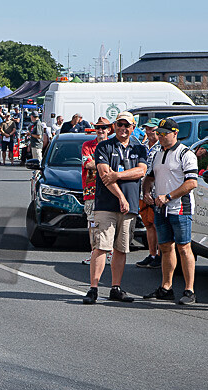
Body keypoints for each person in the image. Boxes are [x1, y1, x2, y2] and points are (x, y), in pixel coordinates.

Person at [82, 111, 149, 304]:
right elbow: (104, 175)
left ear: (133, 127)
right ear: (115, 127)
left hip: (130, 207)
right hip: (106, 204)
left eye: (127, 125)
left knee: (121, 248)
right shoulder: (104, 146)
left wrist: (118, 176)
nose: (123, 128)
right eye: (119, 124)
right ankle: (93, 288)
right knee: (101, 246)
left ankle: (115, 287)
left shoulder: (139, 148)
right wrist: (121, 196)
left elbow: (141, 170)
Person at [142, 118, 199, 305]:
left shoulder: (186, 154)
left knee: (184, 247)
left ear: (175, 133)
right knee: (165, 247)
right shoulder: (158, 153)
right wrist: (145, 191)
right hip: (161, 207)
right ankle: (166, 287)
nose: (160, 136)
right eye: (158, 133)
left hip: (180, 207)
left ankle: (189, 290)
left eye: (164, 133)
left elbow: (191, 183)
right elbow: (150, 177)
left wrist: (168, 196)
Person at [80, 117, 113, 266]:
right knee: (92, 223)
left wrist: (99, 164)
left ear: (109, 130)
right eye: (98, 128)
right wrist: (106, 165)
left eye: (104, 128)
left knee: (111, 223)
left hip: (111, 190)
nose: (101, 130)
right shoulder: (88, 145)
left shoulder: (113, 145)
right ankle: (94, 253)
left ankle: (110, 254)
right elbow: (87, 163)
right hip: (92, 191)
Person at [135, 118, 162, 269]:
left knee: (157, 223)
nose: (149, 132)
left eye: (152, 129)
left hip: (156, 191)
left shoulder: (161, 147)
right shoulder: (143, 146)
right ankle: (152, 254)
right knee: (148, 224)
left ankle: (159, 254)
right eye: (147, 129)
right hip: (142, 190)